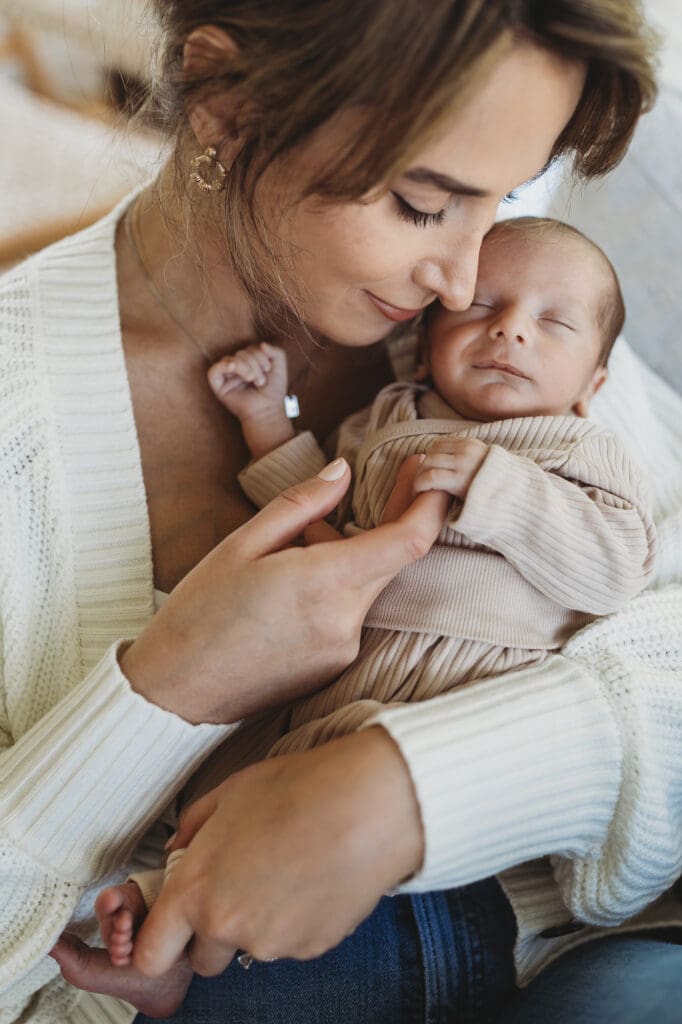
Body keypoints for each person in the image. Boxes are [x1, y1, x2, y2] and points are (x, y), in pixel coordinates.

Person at [1, 2, 680, 1023]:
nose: (464, 276)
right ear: (228, 101)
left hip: (584, 962)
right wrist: (161, 694)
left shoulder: (523, 332)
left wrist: (400, 790)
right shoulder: (23, 421)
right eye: (422, 202)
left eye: (505, 196)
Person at [87, 215, 659, 1016]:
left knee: (309, 839)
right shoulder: (389, 419)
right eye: (480, 308)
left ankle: (186, 930)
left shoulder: (574, 449)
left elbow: (613, 565)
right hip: (336, 684)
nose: (509, 330)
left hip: (453, 701)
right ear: (425, 345)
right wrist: (266, 423)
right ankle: (166, 926)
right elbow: (325, 506)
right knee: (235, 794)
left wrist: (497, 486)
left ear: (594, 383)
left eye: (552, 322)